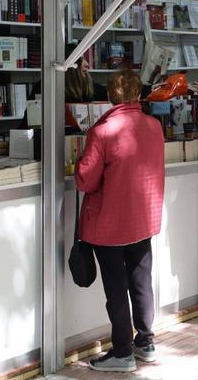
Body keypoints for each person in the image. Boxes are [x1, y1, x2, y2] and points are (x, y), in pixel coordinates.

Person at [75, 69, 165, 373]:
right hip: (143, 218)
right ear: (138, 95)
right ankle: (146, 342)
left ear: (110, 97)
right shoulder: (154, 126)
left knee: (116, 288)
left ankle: (123, 351)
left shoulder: (102, 131)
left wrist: (78, 162)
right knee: (142, 282)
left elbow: (85, 181)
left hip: (110, 224)